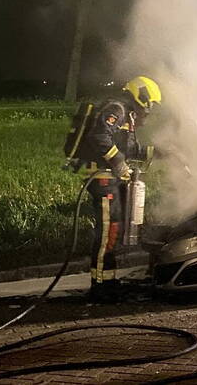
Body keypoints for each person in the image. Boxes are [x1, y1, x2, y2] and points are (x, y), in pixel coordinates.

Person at [75, 75, 162, 301]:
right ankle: (100, 286)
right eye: (149, 104)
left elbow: (130, 148)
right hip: (102, 179)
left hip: (112, 179)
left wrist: (159, 152)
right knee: (107, 231)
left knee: (114, 229)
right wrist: (118, 163)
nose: (150, 110)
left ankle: (109, 281)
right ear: (141, 96)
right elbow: (100, 136)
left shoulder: (128, 114)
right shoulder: (116, 108)